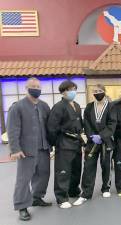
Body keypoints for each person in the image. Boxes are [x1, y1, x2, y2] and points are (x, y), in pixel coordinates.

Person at [7, 78, 51, 221]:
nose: (36, 88)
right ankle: (22, 206)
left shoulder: (44, 106)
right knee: (23, 179)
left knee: (43, 174)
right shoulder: (17, 107)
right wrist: (15, 149)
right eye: (33, 86)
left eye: (38, 86)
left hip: (44, 147)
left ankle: (36, 198)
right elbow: (12, 129)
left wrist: (52, 144)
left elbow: (50, 127)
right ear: (26, 88)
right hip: (26, 150)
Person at [73, 84, 114, 206]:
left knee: (106, 165)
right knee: (89, 166)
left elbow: (112, 123)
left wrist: (102, 136)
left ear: (104, 92)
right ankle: (86, 193)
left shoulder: (111, 106)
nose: (97, 93)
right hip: (92, 141)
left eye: (100, 91)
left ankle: (106, 188)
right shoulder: (90, 107)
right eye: (95, 91)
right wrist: (92, 136)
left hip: (106, 140)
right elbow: (86, 123)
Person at [47, 80, 84, 209]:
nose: (72, 91)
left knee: (76, 169)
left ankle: (73, 190)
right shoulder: (58, 107)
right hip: (63, 143)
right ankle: (61, 198)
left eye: (74, 88)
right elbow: (52, 127)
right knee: (63, 171)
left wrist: (82, 138)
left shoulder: (77, 106)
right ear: (63, 91)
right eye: (69, 89)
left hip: (76, 143)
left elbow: (80, 124)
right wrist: (55, 143)